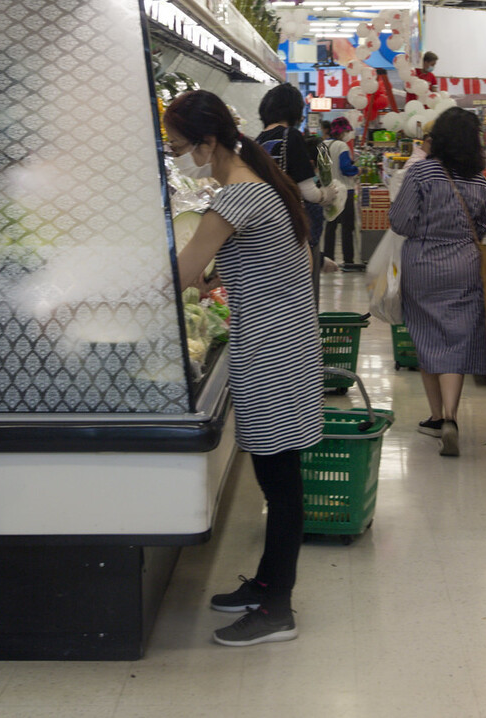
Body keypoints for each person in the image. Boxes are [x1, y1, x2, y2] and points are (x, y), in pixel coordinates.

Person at [165, 90, 322, 648]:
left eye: (180, 146)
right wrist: (221, 279)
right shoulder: (257, 182)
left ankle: (277, 607)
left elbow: (178, 273)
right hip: (284, 342)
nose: (179, 155)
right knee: (276, 475)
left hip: (274, 351)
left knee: (280, 482)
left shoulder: (236, 198)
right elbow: (266, 263)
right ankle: (265, 583)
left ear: (208, 142)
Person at [389, 107, 486, 457]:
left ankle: (435, 417)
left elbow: (401, 222)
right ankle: (451, 415)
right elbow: (483, 226)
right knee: (457, 337)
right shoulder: (479, 181)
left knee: (426, 334)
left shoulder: (420, 173)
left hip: (423, 264)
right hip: (463, 263)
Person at [257, 84, 324, 296]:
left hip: (262, 230)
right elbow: (309, 192)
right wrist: (328, 196)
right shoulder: (291, 137)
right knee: (299, 295)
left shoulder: (257, 141)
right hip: (289, 229)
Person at [320, 118, 361, 270]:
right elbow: (346, 168)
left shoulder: (322, 145)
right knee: (346, 227)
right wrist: (357, 170)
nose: (347, 134)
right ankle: (348, 261)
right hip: (346, 191)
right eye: (346, 131)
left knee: (330, 226)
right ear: (341, 131)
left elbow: (321, 169)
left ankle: (329, 259)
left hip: (329, 190)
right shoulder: (342, 146)